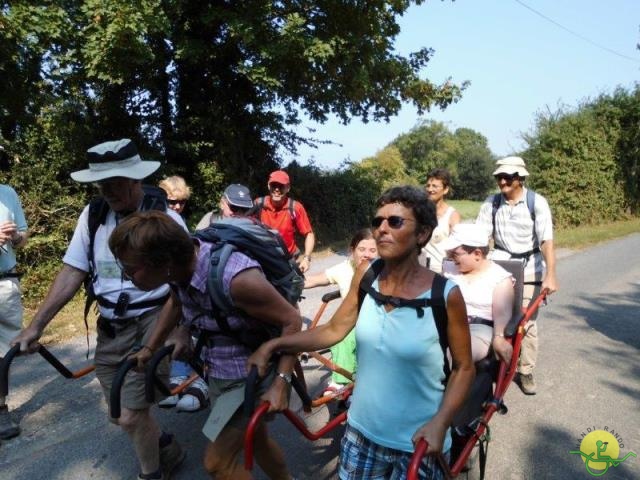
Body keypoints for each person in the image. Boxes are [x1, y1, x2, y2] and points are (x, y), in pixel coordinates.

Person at [249, 185, 474, 480]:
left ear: (422, 234)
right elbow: (333, 330)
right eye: (378, 220)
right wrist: (275, 344)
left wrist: (441, 423)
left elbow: (464, 368)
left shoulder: (445, 294)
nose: (381, 229)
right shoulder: (367, 275)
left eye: (394, 221)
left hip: (420, 440)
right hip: (361, 433)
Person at [12, 139, 186, 480]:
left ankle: (152, 474)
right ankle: (166, 447)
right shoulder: (93, 215)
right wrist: (36, 326)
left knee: (132, 415)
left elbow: (187, 276)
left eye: (116, 180)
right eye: (102, 181)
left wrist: (182, 329)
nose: (107, 189)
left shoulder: (164, 218)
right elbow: (72, 272)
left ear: (136, 179)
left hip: (155, 319)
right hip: (111, 326)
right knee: (120, 414)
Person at [112, 188, 301, 480]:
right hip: (220, 369)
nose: (127, 277)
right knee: (258, 439)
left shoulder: (236, 279)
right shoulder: (178, 270)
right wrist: (152, 346)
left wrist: (281, 380)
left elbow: (292, 321)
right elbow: (176, 300)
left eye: (131, 269)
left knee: (217, 464)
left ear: (163, 263)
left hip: (253, 373)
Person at [475, 156, 558, 395]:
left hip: (530, 266)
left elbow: (546, 241)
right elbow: (481, 236)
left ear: (520, 178)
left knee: (525, 323)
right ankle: (493, 363)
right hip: (500, 265)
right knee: (492, 316)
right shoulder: (492, 203)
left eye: (508, 177)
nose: (503, 181)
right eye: (499, 177)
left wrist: (551, 275)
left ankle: (525, 370)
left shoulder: (536, 203)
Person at [158, 175, 210, 412]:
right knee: (176, 332)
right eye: (172, 202)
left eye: (181, 202)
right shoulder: (160, 220)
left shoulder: (178, 220)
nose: (177, 207)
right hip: (162, 288)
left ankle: (198, 377)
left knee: (191, 329)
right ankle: (179, 377)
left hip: (177, 287)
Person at [304, 228, 377, 394]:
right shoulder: (343, 269)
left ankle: (343, 383)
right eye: (362, 249)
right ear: (352, 250)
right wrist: (288, 281)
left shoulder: (384, 271)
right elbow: (314, 280)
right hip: (352, 322)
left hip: (378, 323)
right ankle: (344, 382)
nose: (366, 254)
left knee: (344, 333)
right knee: (339, 329)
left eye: (372, 250)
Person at [441, 224, 514, 364]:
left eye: (455, 254)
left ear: (477, 254)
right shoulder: (449, 268)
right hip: (446, 321)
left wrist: (498, 337)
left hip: (478, 329)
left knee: (455, 353)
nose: (450, 257)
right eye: (449, 253)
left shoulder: (500, 278)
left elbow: (502, 314)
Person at [0, 180, 28, 441]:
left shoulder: (8, 192)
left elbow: (23, 236)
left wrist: (16, 237)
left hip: (6, 281)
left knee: (3, 353)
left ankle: (0, 408)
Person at [255, 170, 315, 273]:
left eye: (281, 186)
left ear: (288, 188)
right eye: (274, 185)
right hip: (263, 261)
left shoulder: (295, 207)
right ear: (269, 186)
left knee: (292, 287)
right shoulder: (258, 205)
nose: (277, 189)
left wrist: (306, 258)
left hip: (287, 261)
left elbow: (309, 234)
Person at [422, 168, 461, 273]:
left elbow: (456, 248)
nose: (430, 189)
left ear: (445, 189)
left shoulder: (452, 215)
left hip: (441, 272)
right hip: (419, 269)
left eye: (435, 186)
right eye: (428, 185)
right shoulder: (419, 211)